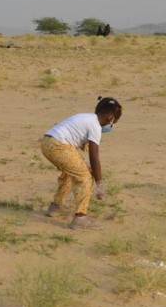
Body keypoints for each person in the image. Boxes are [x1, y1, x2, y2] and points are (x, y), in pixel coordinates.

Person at [41, 97, 123, 230]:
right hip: (59, 146)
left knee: (71, 172)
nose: (111, 126)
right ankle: (80, 218)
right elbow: (94, 157)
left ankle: (56, 206)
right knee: (85, 177)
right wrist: (99, 183)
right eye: (114, 122)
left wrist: (81, 163)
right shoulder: (95, 126)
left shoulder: (86, 117)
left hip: (47, 142)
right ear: (110, 117)